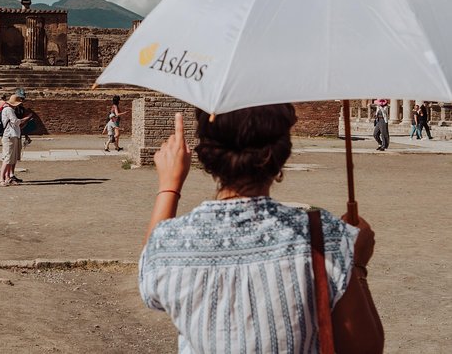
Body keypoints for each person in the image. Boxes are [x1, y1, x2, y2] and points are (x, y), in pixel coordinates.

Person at [139, 107, 384, 354]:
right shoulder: (325, 237)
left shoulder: (170, 242)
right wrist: (356, 265)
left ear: (205, 153)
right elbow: (364, 348)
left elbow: (150, 283)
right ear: (282, 152)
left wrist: (169, 185)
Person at [0, 94, 32, 187]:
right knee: (7, 158)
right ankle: (1, 179)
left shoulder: (9, 109)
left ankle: (8, 177)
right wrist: (25, 118)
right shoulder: (8, 110)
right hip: (9, 135)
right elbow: (15, 122)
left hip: (13, 135)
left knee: (11, 158)